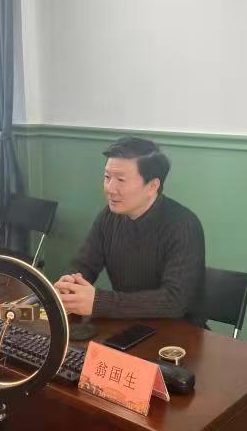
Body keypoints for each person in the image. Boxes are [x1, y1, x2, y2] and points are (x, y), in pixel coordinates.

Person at [54, 136, 205, 324]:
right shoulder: (109, 217)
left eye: (121, 180)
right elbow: (85, 264)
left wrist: (98, 302)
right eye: (107, 177)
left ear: (152, 186)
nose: (110, 188)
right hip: (127, 323)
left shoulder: (183, 225)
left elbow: (174, 301)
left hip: (178, 332)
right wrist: (70, 285)